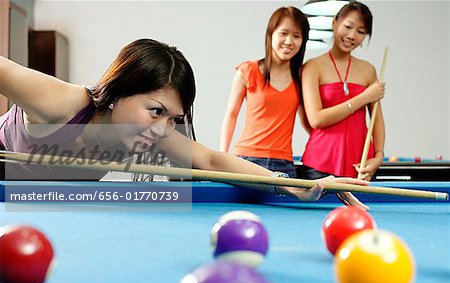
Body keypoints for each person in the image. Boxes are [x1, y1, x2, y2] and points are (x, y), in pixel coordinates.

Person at [0, 38, 368, 208]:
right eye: (156, 110)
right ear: (121, 89)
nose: (163, 128)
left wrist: (295, 186)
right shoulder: (61, 103)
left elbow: (210, 160)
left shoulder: (149, 135)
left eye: (173, 118)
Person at [220, 6, 311, 179]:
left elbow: (309, 121)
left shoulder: (302, 76)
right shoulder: (248, 70)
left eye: (297, 36)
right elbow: (231, 115)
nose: (289, 41)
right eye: (283, 33)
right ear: (271, 34)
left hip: (283, 164)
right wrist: (222, 155)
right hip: (246, 160)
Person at [299, 1, 386, 181]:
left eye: (361, 32)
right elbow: (316, 119)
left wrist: (378, 157)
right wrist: (363, 98)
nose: (352, 35)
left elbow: (377, 120)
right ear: (334, 23)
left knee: (361, 211)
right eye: (347, 26)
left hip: (361, 165)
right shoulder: (312, 67)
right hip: (320, 163)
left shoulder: (368, 70)